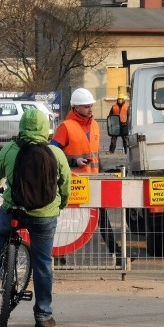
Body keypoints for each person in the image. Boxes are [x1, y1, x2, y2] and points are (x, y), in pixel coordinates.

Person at [0, 109, 71, 327]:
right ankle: (43, 315)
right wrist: (61, 203)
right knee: (43, 263)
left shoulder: (10, 149)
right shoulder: (55, 153)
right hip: (45, 215)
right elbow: (65, 184)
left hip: (14, 211)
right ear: (44, 128)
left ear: (22, 126)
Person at [50, 88, 121, 265]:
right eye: (86, 106)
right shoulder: (65, 127)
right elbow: (52, 155)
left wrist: (102, 171)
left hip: (93, 181)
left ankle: (117, 253)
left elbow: (94, 154)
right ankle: (59, 255)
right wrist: (74, 162)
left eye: (91, 105)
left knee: (102, 218)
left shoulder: (96, 125)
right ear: (76, 108)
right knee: (66, 220)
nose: (90, 109)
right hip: (72, 183)